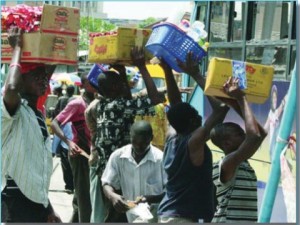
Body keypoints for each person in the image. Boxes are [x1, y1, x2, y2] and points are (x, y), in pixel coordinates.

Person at [85, 46, 165, 223]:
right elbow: (156, 98)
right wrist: (141, 67)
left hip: (105, 174)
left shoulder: (102, 106)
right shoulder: (119, 106)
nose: (125, 84)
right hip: (121, 174)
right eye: (122, 83)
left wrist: (121, 73)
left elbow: (126, 101)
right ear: (116, 88)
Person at [157, 52, 229, 223]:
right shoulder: (194, 141)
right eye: (197, 115)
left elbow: (175, 104)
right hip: (182, 218)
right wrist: (195, 74)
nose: (200, 117)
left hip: (169, 214)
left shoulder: (172, 136)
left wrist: (167, 70)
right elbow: (221, 109)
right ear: (192, 122)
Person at [1, 27, 60, 222]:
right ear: (21, 80)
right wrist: (17, 47)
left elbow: (37, 171)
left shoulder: (38, 116)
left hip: (36, 203)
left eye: (45, 77)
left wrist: (48, 207)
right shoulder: (13, 111)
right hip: (14, 200)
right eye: (36, 75)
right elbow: (10, 87)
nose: (43, 80)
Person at [210, 77, 267, 222]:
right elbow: (254, 136)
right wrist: (241, 99)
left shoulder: (242, 162)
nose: (244, 135)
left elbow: (261, 134)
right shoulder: (227, 164)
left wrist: (234, 103)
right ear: (227, 143)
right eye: (239, 134)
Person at [51, 74, 96, 222]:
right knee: (85, 197)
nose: (95, 83)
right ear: (83, 84)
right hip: (80, 153)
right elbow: (55, 123)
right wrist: (68, 142)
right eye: (92, 81)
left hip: (93, 154)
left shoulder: (98, 101)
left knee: (81, 196)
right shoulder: (77, 103)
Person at [101, 120, 166, 223]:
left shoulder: (161, 159)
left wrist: (151, 199)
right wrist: (112, 196)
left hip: (155, 218)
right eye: (135, 142)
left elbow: (171, 192)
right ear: (130, 137)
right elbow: (107, 183)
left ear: (151, 139)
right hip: (130, 217)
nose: (138, 146)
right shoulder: (118, 157)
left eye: (143, 143)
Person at [52, 84, 76, 192]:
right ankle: (71, 186)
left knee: (66, 166)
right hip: (71, 144)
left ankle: (69, 186)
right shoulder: (74, 102)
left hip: (66, 143)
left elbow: (55, 117)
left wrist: (53, 150)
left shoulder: (62, 100)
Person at [264, 84, 286, 161]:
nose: (275, 100)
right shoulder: (271, 112)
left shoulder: (277, 112)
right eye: (273, 98)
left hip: (277, 144)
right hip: (271, 145)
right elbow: (265, 127)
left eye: (276, 97)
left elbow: (281, 106)